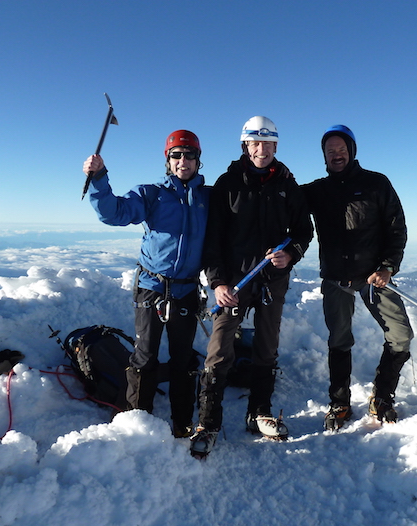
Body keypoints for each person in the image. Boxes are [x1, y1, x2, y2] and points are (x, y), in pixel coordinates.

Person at [190, 116, 313, 457]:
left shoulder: (288, 184)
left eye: (267, 143)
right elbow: (212, 239)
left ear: (276, 146)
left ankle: (259, 411)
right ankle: (209, 420)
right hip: (233, 281)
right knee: (219, 347)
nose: (261, 149)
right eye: (254, 143)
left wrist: (290, 254)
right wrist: (216, 283)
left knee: (267, 344)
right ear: (246, 146)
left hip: (272, 278)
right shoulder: (228, 184)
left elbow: (303, 231)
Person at [83, 130, 209, 438]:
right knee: (145, 355)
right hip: (153, 288)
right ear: (168, 160)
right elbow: (115, 213)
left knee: (182, 358)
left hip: (187, 289)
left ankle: (181, 423)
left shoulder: (209, 198)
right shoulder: (151, 194)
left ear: (198, 160)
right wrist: (99, 179)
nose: (183, 161)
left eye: (189, 155)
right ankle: (137, 422)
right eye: (176, 155)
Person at [301, 125, 413, 430]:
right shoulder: (317, 191)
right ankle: (339, 402)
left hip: (374, 278)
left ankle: (382, 396)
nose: (336, 155)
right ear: (324, 155)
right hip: (337, 279)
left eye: (341, 149)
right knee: (339, 340)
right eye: (330, 151)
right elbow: (283, 202)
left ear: (351, 151)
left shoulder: (377, 184)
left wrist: (388, 267)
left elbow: (396, 228)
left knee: (401, 335)